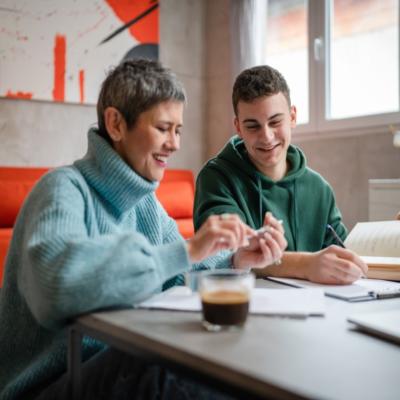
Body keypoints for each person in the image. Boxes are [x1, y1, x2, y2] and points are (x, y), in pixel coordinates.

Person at [0, 59, 286, 400]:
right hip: (52, 384)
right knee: (165, 367)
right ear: (116, 124)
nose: (175, 144)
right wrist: (188, 249)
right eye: (164, 128)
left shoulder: (144, 203)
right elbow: (57, 289)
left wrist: (237, 258)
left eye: (178, 130)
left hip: (118, 363)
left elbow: (178, 269)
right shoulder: (62, 189)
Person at [194, 65, 368, 285]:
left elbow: (343, 252)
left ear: (293, 117)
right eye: (252, 126)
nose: (266, 137)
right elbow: (227, 256)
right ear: (238, 127)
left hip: (318, 307)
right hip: (248, 306)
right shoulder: (216, 178)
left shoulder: (319, 188)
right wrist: (306, 265)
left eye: (275, 122)